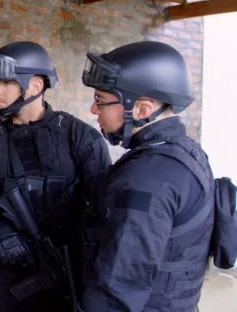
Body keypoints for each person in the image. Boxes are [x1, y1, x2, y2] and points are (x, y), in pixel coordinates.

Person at [0, 41, 111, 311]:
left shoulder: (79, 137)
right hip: (8, 270)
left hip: (68, 269)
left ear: (36, 86)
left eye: (5, 83)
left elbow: (104, 207)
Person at [80, 41, 214, 312]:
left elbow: (119, 287)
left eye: (100, 101)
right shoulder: (185, 152)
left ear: (142, 109)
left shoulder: (146, 178)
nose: (94, 111)